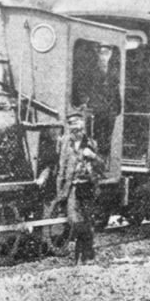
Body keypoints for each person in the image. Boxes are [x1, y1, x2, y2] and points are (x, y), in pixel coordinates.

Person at [56, 109, 105, 264]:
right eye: (71, 124)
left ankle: (83, 258)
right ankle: (85, 254)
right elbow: (61, 168)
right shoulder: (65, 144)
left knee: (88, 222)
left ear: (83, 125)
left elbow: (102, 166)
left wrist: (93, 156)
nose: (74, 127)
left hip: (88, 187)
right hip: (72, 188)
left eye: (77, 123)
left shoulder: (91, 143)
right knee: (75, 221)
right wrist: (60, 191)